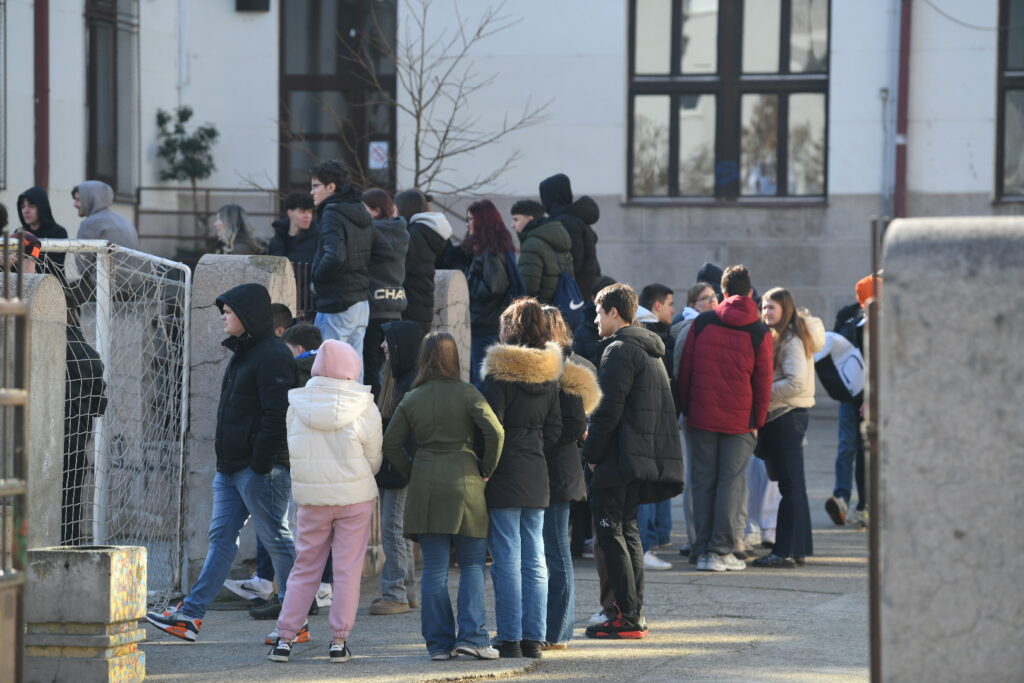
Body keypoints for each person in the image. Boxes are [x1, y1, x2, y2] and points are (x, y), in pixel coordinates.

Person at [145, 283, 297, 642]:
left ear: (247, 315)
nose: (223, 318)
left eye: (228, 312)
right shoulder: (243, 352)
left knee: (277, 540)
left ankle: (295, 621)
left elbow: (277, 414)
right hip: (231, 469)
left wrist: (259, 463)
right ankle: (191, 617)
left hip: (260, 469)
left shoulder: (273, 355)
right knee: (221, 541)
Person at [382, 332, 505, 661]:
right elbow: (495, 431)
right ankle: (474, 638)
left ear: (424, 358)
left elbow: (391, 444)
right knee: (472, 566)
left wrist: (412, 470)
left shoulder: (412, 397)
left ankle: (438, 645)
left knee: (434, 569)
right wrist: (486, 468)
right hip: (466, 480)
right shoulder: (468, 393)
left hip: (425, 482)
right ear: (454, 358)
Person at [267, 340, 383, 664]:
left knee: (304, 567)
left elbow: (296, 453)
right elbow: (373, 458)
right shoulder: (364, 405)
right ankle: (338, 641)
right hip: (355, 498)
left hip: (312, 498)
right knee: (347, 570)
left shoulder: (297, 404)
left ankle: (285, 638)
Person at [582, 283, 683, 639]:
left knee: (612, 535)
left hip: (619, 460)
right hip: (637, 458)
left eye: (598, 312)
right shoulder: (649, 350)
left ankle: (624, 616)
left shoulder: (619, 351)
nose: (595, 320)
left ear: (614, 313)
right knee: (628, 533)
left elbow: (607, 412)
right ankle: (633, 613)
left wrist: (590, 456)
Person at [479, 298, 562, 659]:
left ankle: (509, 637)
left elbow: (488, 425)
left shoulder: (499, 373)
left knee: (507, 558)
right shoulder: (549, 375)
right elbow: (555, 430)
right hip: (536, 471)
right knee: (535, 558)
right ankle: (534, 637)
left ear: (511, 327)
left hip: (503, 471)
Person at [677, 265, 773, 573]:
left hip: (701, 415)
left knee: (701, 482)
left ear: (723, 291)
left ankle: (701, 549)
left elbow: (686, 370)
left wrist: (686, 409)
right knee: (731, 485)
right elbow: (763, 383)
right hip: (739, 421)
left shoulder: (703, 323)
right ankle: (720, 550)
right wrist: (757, 422)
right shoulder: (759, 331)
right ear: (749, 292)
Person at [539, 306, 601, 650]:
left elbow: (577, 424)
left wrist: (544, 440)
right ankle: (554, 630)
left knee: (556, 551)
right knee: (552, 550)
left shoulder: (562, 368)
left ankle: (558, 631)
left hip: (558, 469)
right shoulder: (560, 364)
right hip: (558, 467)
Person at [751, 289, 824, 568]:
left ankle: (784, 551)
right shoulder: (783, 335)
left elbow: (796, 383)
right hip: (787, 416)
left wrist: (762, 392)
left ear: (786, 310)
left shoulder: (791, 338)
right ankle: (797, 549)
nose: (766, 312)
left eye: (772, 308)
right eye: (764, 308)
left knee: (791, 486)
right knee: (794, 486)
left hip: (786, 416)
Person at [370, 320, 426, 615]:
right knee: (397, 530)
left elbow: (408, 436)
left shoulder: (410, 383)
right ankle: (407, 591)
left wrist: (403, 468)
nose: (382, 346)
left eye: (387, 341)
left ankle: (397, 593)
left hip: (399, 471)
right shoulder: (399, 378)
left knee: (393, 530)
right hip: (396, 469)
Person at [444, 199, 517, 384]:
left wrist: (466, 285)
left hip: (485, 323)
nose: (467, 223)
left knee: (482, 380)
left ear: (481, 221)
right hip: (488, 322)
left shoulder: (490, 252)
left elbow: (494, 287)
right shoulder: (492, 248)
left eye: (470, 219)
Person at [825, 274, 877, 528]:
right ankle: (842, 498)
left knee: (863, 448)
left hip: (871, 395)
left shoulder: (882, 318)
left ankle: (864, 504)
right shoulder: (849, 314)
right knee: (848, 446)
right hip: (850, 394)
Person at [310, 161, 374, 364]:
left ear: (331, 187)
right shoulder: (359, 209)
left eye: (315, 186)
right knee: (355, 368)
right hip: (360, 301)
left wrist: (317, 279)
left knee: (330, 368)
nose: (311, 192)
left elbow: (335, 255)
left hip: (336, 302)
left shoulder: (332, 212)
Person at [670, 282, 717, 559]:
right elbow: (681, 371)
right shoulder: (688, 326)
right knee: (697, 477)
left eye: (714, 297)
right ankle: (695, 536)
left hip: (702, 408)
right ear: (693, 303)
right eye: (705, 298)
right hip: (692, 410)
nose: (712, 302)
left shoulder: (707, 324)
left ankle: (702, 534)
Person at [634, 283, 676, 571]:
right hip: (650, 423)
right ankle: (648, 543)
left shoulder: (637, 340)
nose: (673, 309)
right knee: (648, 484)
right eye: (670, 303)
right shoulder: (654, 338)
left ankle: (649, 542)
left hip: (647, 422)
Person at [362, 188, 408, 398]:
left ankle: (375, 417)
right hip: (396, 310)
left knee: (371, 369)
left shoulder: (369, 233)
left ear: (376, 211)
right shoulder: (402, 233)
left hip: (373, 309)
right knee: (392, 371)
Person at [396, 190, 452, 335]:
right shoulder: (428, 232)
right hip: (424, 303)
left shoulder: (412, 235)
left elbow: (402, 268)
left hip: (411, 305)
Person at [538, 173, 601, 298]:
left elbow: (573, 263)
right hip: (583, 291)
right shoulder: (575, 220)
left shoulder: (566, 223)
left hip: (574, 294)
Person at [511, 199, 573, 304]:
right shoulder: (557, 239)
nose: (512, 225)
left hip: (539, 312)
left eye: (516, 219)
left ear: (530, 219)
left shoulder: (532, 244)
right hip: (559, 310)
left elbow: (527, 286)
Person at [16, 187, 67, 281]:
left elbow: (52, 266)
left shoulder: (58, 232)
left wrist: (21, 256)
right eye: (23, 207)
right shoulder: (19, 233)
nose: (26, 211)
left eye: (31, 206)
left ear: (41, 207)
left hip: (52, 288)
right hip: (22, 287)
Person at [572, 275, 617, 369]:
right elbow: (577, 367)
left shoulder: (626, 324)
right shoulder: (581, 330)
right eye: (605, 300)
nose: (610, 305)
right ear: (593, 299)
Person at [268, 192, 319, 265]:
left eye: (310, 212)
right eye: (302, 212)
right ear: (290, 213)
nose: (307, 216)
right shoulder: (277, 240)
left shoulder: (318, 239)